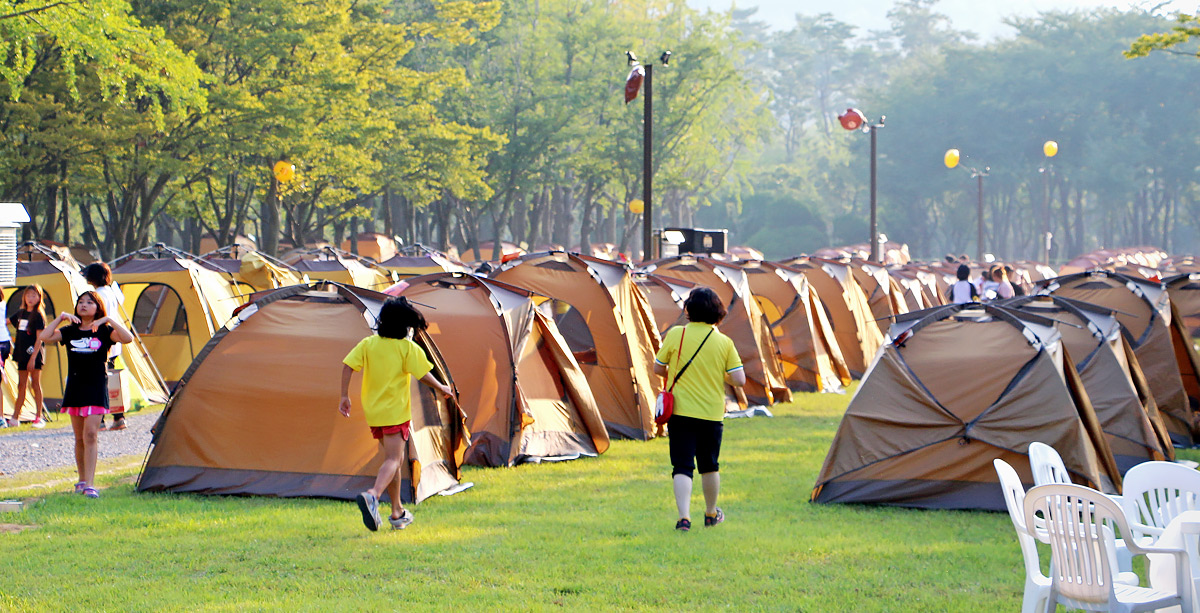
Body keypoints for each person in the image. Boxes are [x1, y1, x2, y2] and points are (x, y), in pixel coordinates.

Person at [339, 296, 453, 532]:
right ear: (404, 325)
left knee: (395, 461)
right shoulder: (406, 348)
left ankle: (397, 512)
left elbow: (348, 366)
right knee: (393, 460)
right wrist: (441, 387)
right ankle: (373, 495)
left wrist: (344, 396)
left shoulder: (368, 344)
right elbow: (423, 374)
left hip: (375, 412)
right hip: (395, 413)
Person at [653, 287, 744, 532]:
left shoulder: (676, 335)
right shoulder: (724, 342)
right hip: (712, 414)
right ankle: (711, 514)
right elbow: (740, 379)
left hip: (680, 412)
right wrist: (719, 373)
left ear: (689, 311)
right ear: (718, 313)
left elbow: (657, 368)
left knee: (682, 466)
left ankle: (684, 518)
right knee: (709, 465)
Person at [39, 291, 134, 498]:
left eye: (89, 302)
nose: (84, 305)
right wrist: (61, 317)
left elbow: (128, 338)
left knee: (91, 434)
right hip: (75, 388)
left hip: (96, 388)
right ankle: (81, 480)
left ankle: (90, 484)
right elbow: (44, 337)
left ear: (97, 307)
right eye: (80, 302)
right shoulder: (70, 331)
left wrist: (109, 319)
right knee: (79, 438)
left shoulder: (104, 331)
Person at [83, 262, 126, 431]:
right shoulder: (112, 291)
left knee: (98, 382)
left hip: (98, 342)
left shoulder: (95, 295)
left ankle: (99, 419)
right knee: (111, 379)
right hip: (112, 341)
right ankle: (118, 417)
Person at [10, 285, 47, 428]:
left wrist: (33, 357)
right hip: (21, 353)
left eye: (34, 296)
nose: (31, 298)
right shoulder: (21, 313)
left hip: (34, 354)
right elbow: (8, 322)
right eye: (28, 295)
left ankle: (39, 416)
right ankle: (15, 417)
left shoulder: (38, 315)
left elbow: (40, 338)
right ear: (24, 297)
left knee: (35, 384)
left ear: (39, 298)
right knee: (21, 385)